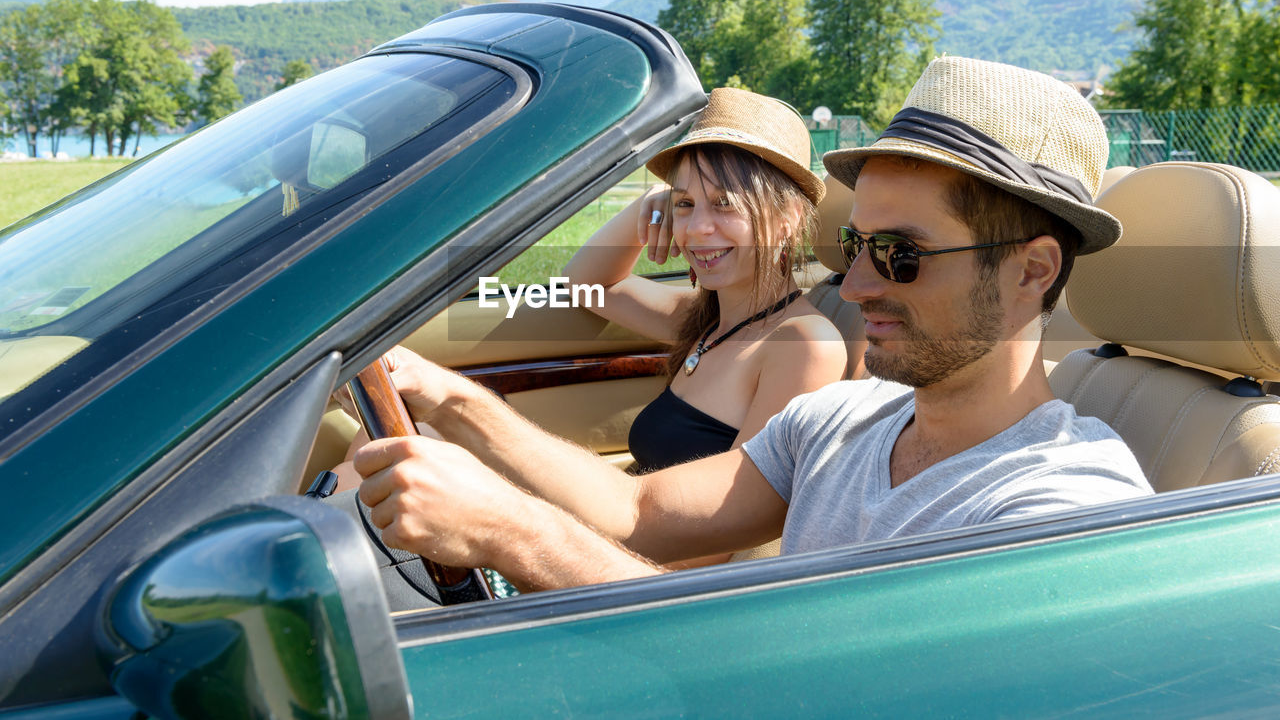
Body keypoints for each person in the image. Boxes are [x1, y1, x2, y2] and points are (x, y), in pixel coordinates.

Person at [352, 56, 1154, 593]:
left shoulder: (1061, 509)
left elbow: (806, 690)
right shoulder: (839, 419)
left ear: (1033, 270)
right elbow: (638, 515)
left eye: (902, 255)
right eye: (856, 245)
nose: (861, 281)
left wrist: (509, 529)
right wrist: (448, 398)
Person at [562, 86, 848, 474]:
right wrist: (646, 206)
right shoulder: (703, 321)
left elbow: (733, 515)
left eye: (724, 203)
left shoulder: (804, 344)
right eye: (684, 204)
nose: (696, 229)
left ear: (789, 218)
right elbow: (582, 284)